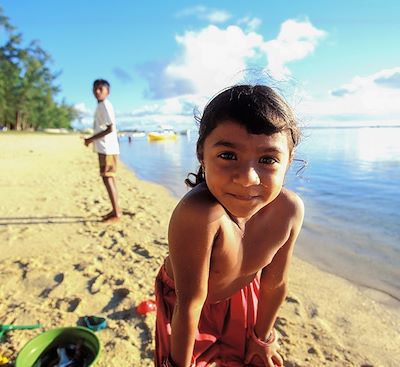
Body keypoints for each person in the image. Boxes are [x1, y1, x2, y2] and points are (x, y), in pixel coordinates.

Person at [155, 84, 304, 367]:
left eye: (268, 159)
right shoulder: (199, 215)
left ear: (289, 160)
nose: (248, 177)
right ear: (202, 153)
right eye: (228, 155)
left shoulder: (289, 211)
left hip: (242, 292)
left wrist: (262, 340)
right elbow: (190, 303)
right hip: (186, 302)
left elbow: (275, 284)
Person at [84, 79, 121, 222]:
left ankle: (116, 213)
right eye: (95, 88)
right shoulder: (100, 105)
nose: (97, 91)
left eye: (101, 89)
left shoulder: (105, 105)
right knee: (109, 178)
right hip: (104, 148)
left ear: (107, 91)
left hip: (108, 149)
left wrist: (90, 139)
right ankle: (115, 209)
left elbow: (110, 128)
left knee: (108, 178)